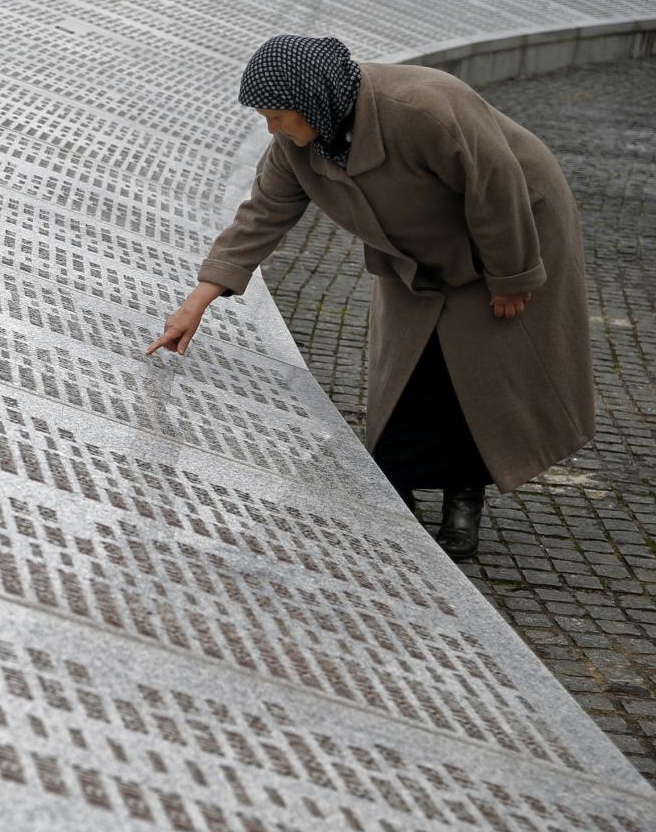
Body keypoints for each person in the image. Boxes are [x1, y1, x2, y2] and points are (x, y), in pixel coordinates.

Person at [146, 35, 594, 560]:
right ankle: (398, 485)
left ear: (315, 100)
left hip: (512, 227)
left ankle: (463, 501)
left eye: (279, 116)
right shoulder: (299, 143)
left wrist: (511, 274)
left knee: (475, 370)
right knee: (407, 369)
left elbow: (496, 183)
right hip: (416, 251)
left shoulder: (426, 106)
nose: (273, 129)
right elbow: (260, 217)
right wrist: (198, 300)